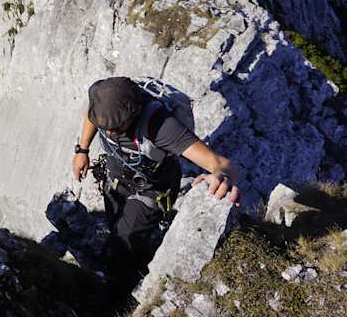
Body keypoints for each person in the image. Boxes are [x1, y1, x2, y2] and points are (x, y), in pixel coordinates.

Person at [71, 76, 241, 280]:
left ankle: (121, 282)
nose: (108, 131)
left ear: (133, 114)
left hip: (151, 189)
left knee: (123, 242)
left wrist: (221, 177)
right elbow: (93, 115)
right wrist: (82, 150)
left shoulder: (161, 126)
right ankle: (133, 257)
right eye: (104, 126)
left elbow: (220, 164)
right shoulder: (103, 109)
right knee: (116, 225)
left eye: (116, 127)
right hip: (116, 180)